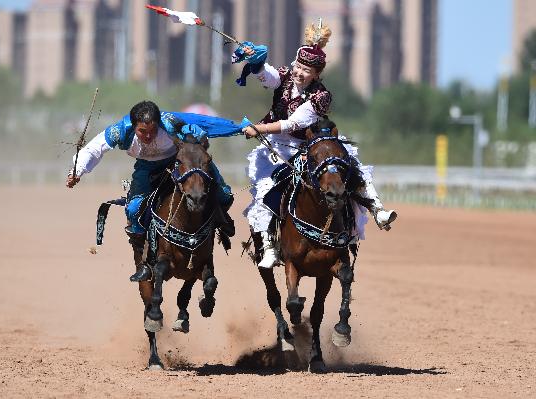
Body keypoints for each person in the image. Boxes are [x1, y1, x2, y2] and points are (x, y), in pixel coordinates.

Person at [232, 23, 397, 269]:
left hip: (308, 145)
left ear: (316, 74)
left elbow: (293, 123)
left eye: (306, 70)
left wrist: (259, 128)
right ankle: (268, 245)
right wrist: (256, 60)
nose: (299, 72)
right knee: (264, 189)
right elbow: (267, 77)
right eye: (298, 66)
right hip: (275, 147)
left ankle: (377, 209)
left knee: (351, 164)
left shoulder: (321, 96)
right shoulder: (285, 76)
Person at [66, 100, 240, 281]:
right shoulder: (120, 130)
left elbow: (204, 125)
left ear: (159, 124)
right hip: (146, 169)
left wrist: (239, 129)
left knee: (224, 195)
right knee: (133, 209)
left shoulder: (171, 122)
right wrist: (76, 171)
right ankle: (144, 261)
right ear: (134, 127)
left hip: (179, 162)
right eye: (142, 131)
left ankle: (221, 223)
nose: (148, 136)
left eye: (153, 131)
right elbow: (94, 149)